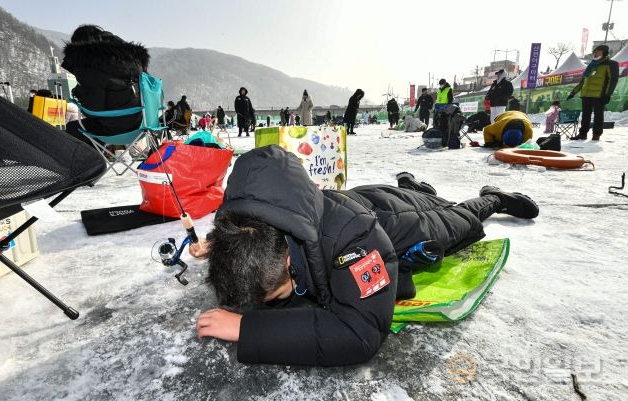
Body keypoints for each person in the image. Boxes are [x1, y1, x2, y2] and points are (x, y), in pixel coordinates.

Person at [189, 145, 539, 366]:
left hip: (402, 224)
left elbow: (360, 334)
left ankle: (494, 197)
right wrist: (218, 245)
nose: (269, 305)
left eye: (277, 295)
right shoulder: (249, 220)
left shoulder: (354, 241)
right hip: (366, 199)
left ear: (288, 262)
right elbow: (245, 225)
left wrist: (248, 328)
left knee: (457, 222)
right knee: (420, 201)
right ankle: (411, 185)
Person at [61, 25, 149, 146]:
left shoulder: (92, 65)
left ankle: (93, 162)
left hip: (115, 130)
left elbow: (93, 109)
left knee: (72, 127)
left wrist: (79, 94)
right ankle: (98, 158)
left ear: (79, 46)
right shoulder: (134, 59)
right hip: (141, 126)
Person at [567, 44, 619, 141]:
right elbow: (583, 81)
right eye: (593, 52)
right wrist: (573, 93)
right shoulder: (590, 65)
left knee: (598, 115)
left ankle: (596, 134)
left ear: (604, 52)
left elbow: (613, 80)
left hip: (599, 95)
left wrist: (607, 94)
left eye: (597, 52)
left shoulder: (611, 64)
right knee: (585, 115)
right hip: (586, 95)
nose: (594, 54)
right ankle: (582, 134)